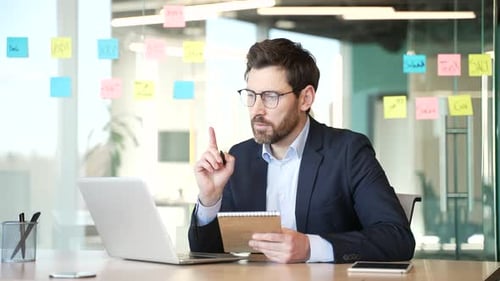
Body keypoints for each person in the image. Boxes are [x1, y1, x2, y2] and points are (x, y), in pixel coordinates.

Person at [188, 38, 415, 264]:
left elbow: (397, 239)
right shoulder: (240, 158)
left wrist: (310, 247)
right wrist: (209, 198)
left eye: (270, 97)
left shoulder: (348, 152)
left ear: (305, 98)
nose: (256, 110)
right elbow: (206, 253)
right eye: (251, 95)